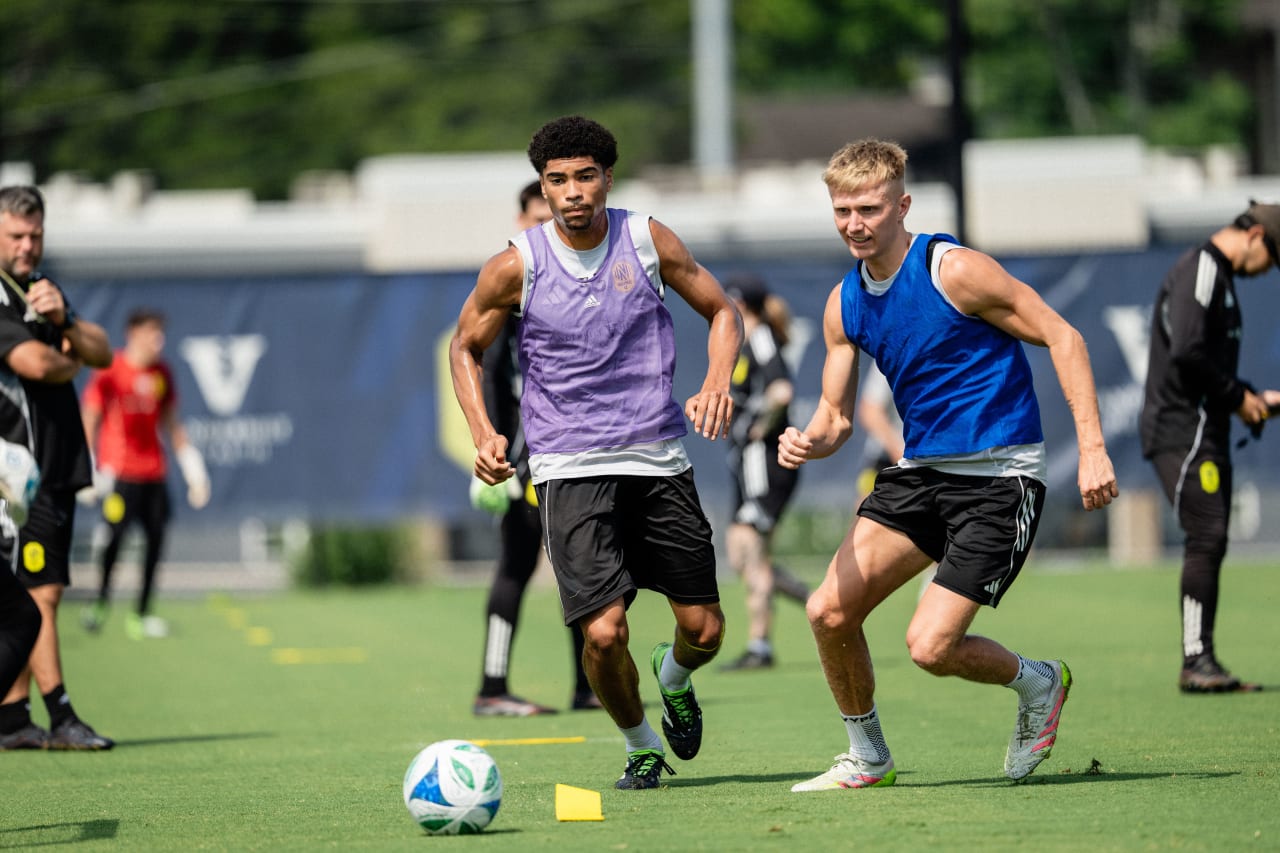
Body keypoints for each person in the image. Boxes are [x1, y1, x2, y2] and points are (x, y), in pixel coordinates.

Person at [778, 139, 1117, 790]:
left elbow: (1063, 336)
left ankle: (1039, 682)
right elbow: (836, 416)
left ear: (901, 205)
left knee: (930, 648)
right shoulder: (844, 303)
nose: (855, 223)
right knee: (827, 611)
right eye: (843, 210)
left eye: (870, 208)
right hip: (922, 473)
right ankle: (868, 755)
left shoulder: (953, 270)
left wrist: (1093, 446)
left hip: (1000, 478)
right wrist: (809, 441)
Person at [449, 115, 742, 790]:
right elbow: (464, 346)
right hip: (568, 468)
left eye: (585, 176)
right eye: (558, 180)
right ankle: (642, 745)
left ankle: (674, 676)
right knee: (604, 633)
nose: (573, 191)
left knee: (705, 628)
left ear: (607, 178)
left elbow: (722, 310)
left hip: (657, 459)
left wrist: (717, 381)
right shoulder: (515, 264)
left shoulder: (646, 239)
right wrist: (484, 432)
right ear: (543, 188)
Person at [469, 181, 600, 716]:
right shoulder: (512, 281)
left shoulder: (573, 278)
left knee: (584, 567)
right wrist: (497, 452)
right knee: (518, 565)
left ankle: (586, 687)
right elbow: (492, 373)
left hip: (576, 451)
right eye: (534, 215)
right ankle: (493, 688)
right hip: (528, 458)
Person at [1139, 200, 1280, 694]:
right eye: (1275, 258)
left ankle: (1202, 659)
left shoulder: (1217, 278)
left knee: (1210, 535)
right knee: (1207, 532)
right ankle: (1196, 662)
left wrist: (1250, 397)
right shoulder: (1202, 268)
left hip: (1201, 428)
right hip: (1184, 430)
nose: (1269, 271)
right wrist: (1239, 396)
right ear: (1257, 235)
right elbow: (1188, 353)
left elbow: (1204, 361)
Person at [0, 185, 115, 750]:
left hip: (60, 464)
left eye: (35, 234)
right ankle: (62, 715)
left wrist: (65, 316)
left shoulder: (42, 290)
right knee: (40, 592)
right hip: (21, 477)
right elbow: (33, 362)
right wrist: (68, 357)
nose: (27, 245)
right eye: (16, 235)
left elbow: (103, 350)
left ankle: (14, 719)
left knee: (31, 591)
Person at [78, 308, 211, 640]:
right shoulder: (111, 370)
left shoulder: (161, 373)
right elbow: (90, 417)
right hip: (121, 476)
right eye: (153, 333)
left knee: (155, 542)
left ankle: (141, 614)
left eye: (160, 333)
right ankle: (100, 602)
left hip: (155, 474)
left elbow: (172, 424)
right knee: (114, 541)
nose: (159, 340)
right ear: (133, 333)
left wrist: (195, 472)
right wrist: (88, 468)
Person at [719, 273, 808, 671]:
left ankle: (760, 646)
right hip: (747, 464)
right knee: (743, 551)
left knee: (749, 547)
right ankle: (814, 600)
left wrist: (760, 425)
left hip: (765, 464)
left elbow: (781, 392)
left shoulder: (760, 338)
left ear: (741, 305)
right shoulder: (743, 343)